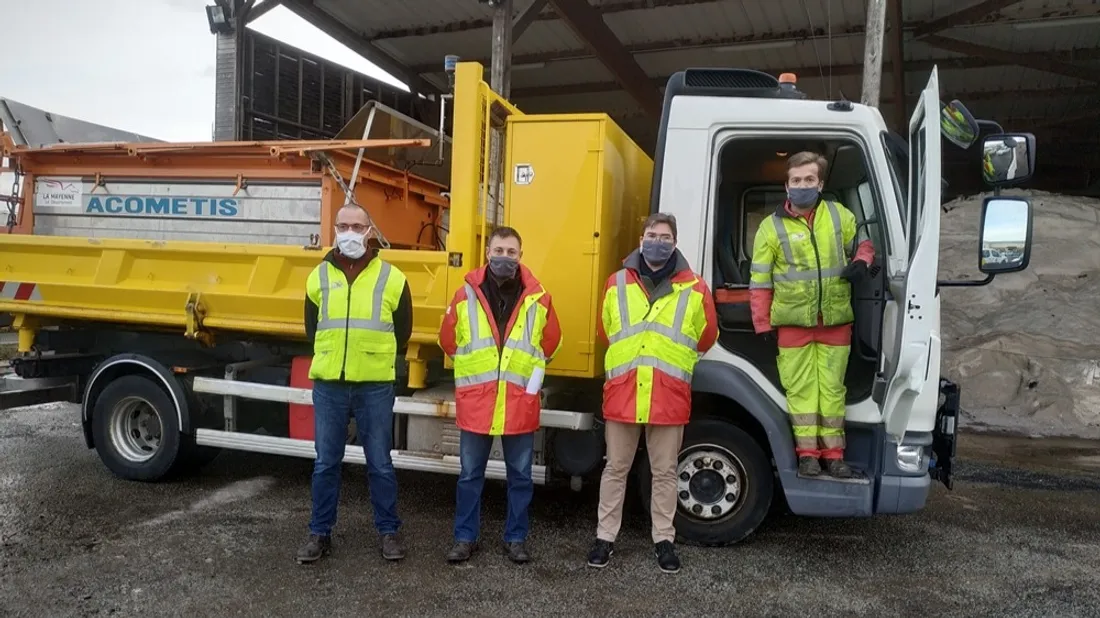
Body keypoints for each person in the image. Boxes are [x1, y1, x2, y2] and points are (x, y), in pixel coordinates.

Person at [586, 213, 718, 574]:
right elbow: (605, 331)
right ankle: (604, 538)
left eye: (664, 236)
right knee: (615, 469)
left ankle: (664, 540)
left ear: (674, 242)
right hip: (624, 393)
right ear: (641, 238)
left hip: (667, 395)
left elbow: (706, 337)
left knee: (665, 473)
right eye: (651, 234)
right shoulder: (616, 283)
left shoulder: (694, 287)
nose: (657, 241)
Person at [296, 203, 413, 564]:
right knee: (325, 464)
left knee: (379, 463)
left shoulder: (392, 277)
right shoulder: (317, 276)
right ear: (334, 228)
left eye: (357, 226)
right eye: (343, 225)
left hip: (374, 385)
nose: (350, 232)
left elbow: (404, 330)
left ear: (369, 231)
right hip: (330, 383)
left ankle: (389, 532)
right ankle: (320, 532)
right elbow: (312, 328)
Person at [438, 226, 562, 565]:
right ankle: (465, 539)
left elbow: (553, 342)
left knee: (521, 477)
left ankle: (516, 539)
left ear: (521, 256)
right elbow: (446, 340)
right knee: (469, 476)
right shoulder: (465, 294)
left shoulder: (539, 297)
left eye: (511, 252)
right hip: (478, 399)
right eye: (499, 250)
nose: (504, 257)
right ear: (487, 253)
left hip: (517, 401)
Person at [749, 151, 875, 479]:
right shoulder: (769, 227)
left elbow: (865, 242)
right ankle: (808, 456)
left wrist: (862, 261)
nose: (802, 185)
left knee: (832, 391)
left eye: (808, 180)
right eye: (795, 180)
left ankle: (834, 457)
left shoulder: (840, 215)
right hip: (793, 324)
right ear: (786, 185)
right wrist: (762, 322)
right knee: (802, 392)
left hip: (835, 321)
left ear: (820, 184)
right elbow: (759, 280)